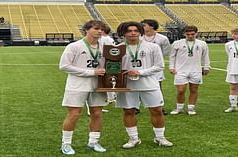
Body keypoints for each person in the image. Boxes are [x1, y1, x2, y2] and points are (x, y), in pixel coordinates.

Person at [115, 21, 173, 148]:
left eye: (135, 30)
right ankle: (133, 138)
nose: (133, 33)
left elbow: (159, 66)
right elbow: (112, 69)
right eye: (129, 31)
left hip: (149, 83)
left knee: (157, 110)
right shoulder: (117, 49)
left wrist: (140, 72)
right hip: (127, 85)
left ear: (140, 32)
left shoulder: (152, 47)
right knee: (129, 111)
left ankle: (160, 138)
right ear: (123, 33)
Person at [59, 20, 107, 155]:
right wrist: (91, 72)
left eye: (101, 29)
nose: (99, 31)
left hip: (99, 85)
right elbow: (64, 66)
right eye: (96, 28)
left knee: (97, 114)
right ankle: (66, 144)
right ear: (87, 30)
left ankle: (93, 142)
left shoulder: (105, 46)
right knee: (74, 114)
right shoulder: (74, 46)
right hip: (77, 85)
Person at [169, 25, 210, 115]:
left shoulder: (202, 44)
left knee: (194, 90)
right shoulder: (177, 43)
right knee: (181, 90)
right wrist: (171, 67)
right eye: (188, 34)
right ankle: (179, 108)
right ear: (184, 34)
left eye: (192, 34)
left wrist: (206, 67)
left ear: (196, 33)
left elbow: (205, 56)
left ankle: (191, 108)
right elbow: (172, 56)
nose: (190, 36)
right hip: (180, 70)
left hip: (196, 70)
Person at [140, 19, 171, 115]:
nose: (142, 27)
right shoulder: (140, 38)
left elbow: (166, 51)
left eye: (144, 25)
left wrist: (156, 59)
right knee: (137, 85)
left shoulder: (162, 38)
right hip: (142, 65)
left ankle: (160, 107)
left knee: (157, 85)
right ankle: (135, 106)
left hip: (156, 66)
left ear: (152, 26)